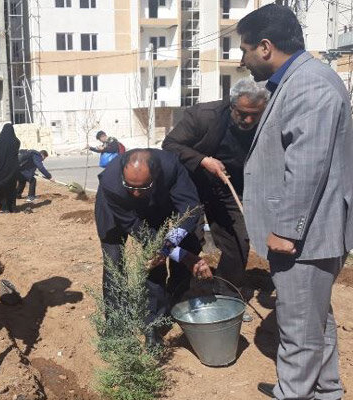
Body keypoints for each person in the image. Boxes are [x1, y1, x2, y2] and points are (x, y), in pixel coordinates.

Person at [237, 5, 353, 399]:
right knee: (313, 324)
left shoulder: (310, 85)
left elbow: (308, 165)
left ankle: (295, 393)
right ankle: (326, 392)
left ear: (266, 47)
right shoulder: (299, 80)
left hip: (305, 238)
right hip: (310, 234)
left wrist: (286, 231)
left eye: (246, 50)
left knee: (298, 333)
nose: (243, 59)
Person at [162, 78, 269, 308]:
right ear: (232, 105)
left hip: (227, 188)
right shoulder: (203, 115)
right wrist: (202, 160)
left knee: (240, 240)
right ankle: (179, 296)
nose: (248, 120)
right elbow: (170, 145)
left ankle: (226, 297)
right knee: (187, 238)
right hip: (191, 186)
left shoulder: (267, 122)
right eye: (242, 113)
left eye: (255, 114)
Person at [95, 148, 212, 346]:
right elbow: (132, 224)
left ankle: (157, 321)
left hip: (156, 205)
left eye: (141, 187)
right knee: (114, 261)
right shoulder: (111, 183)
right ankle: (116, 323)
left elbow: (190, 210)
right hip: (116, 211)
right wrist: (171, 251)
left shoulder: (171, 168)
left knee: (161, 257)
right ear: (123, 174)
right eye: (130, 186)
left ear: (156, 175)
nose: (134, 193)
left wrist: (168, 246)